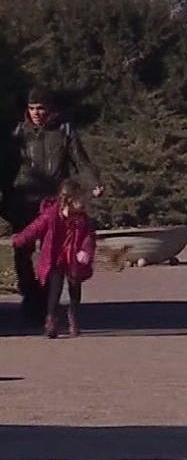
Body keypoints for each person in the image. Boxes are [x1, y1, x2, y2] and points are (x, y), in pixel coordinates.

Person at [5, 88, 103, 323]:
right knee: (22, 250)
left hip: (55, 201)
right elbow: (6, 165)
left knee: (54, 250)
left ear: (50, 108)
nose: (36, 113)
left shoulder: (63, 130)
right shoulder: (18, 132)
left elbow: (80, 160)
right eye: (32, 108)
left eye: (41, 108)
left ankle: (48, 300)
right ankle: (31, 296)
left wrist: (94, 183)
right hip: (25, 198)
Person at [11, 180, 97, 338]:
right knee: (54, 289)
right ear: (69, 200)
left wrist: (85, 250)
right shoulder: (51, 215)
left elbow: (89, 236)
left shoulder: (82, 218)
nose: (83, 205)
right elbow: (34, 228)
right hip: (56, 257)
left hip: (74, 258)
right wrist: (19, 240)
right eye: (80, 201)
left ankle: (73, 316)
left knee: (74, 287)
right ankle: (51, 321)